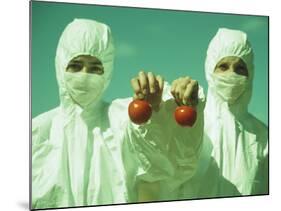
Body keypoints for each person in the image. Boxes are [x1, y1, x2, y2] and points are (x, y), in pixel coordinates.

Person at [32, 18, 205, 209]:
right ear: (61, 65)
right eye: (76, 65)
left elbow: (166, 163)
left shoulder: (120, 119)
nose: (84, 74)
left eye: (95, 68)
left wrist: (161, 109)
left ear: (107, 72)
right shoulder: (37, 132)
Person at [201, 28, 268, 196]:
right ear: (210, 70)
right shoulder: (194, 125)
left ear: (250, 74)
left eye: (240, 68)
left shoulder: (264, 136)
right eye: (223, 66)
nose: (232, 74)